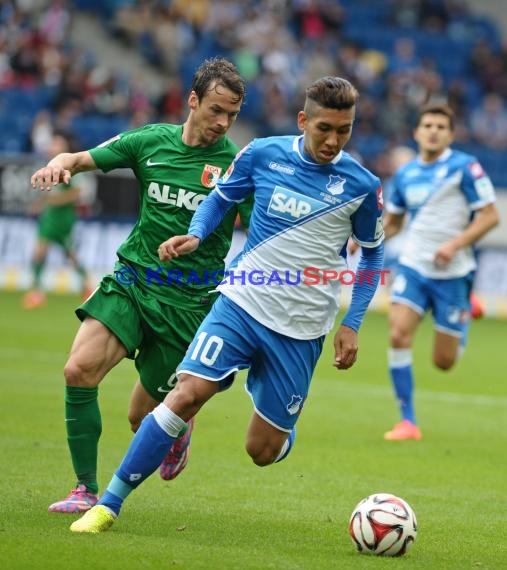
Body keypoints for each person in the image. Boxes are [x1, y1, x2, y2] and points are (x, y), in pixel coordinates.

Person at [69, 75, 386, 533]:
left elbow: (373, 253)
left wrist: (352, 322)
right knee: (185, 395)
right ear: (303, 121)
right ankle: (108, 505)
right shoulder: (262, 154)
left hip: (301, 327)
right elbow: (221, 199)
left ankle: (281, 425)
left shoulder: (361, 184)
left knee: (261, 451)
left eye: (345, 130)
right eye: (324, 129)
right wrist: (197, 233)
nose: (333, 140)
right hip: (240, 303)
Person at [30, 57, 251, 513]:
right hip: (132, 280)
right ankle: (84, 490)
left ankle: (179, 425)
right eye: (216, 110)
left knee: (140, 419)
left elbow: (266, 229)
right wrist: (60, 162)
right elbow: (81, 158)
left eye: (232, 114)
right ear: (193, 101)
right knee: (79, 370)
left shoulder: (238, 166)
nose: (223, 123)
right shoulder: (150, 141)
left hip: (187, 305)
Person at [382, 103, 500, 441]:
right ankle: (408, 422)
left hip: (453, 272)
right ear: (417, 132)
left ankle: (465, 310)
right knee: (397, 334)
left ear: (450, 134)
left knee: (444, 363)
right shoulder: (404, 175)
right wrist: (366, 240)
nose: (433, 131)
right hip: (414, 265)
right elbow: (394, 223)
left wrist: (455, 244)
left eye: (440, 126)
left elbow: (491, 217)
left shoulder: (465, 168)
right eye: (428, 125)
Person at [23, 131, 92, 309]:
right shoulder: (46, 166)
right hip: (50, 216)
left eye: (57, 143)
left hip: (64, 217)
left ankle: (87, 286)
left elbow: (78, 192)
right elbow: (49, 194)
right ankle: (37, 291)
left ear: (64, 148)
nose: (52, 146)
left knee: (70, 255)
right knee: (39, 251)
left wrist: (55, 201)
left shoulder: (69, 166)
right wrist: (41, 204)